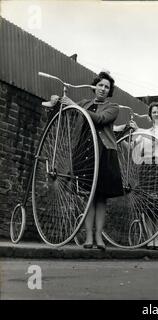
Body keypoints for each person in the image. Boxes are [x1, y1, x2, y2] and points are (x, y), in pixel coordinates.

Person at [51, 71, 122, 250]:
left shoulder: (112, 107)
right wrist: (56, 101)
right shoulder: (84, 104)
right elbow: (65, 110)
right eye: (100, 85)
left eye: (107, 87)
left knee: (101, 198)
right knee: (88, 197)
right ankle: (89, 236)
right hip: (85, 153)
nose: (103, 89)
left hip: (104, 152)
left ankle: (99, 236)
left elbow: (101, 119)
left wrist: (75, 105)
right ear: (94, 87)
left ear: (109, 91)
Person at [130, 101, 158, 250]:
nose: (156, 114)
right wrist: (128, 133)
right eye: (154, 112)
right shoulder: (144, 132)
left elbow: (157, 139)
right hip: (147, 168)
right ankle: (150, 238)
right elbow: (132, 147)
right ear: (150, 115)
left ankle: (157, 237)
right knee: (147, 205)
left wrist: (139, 130)